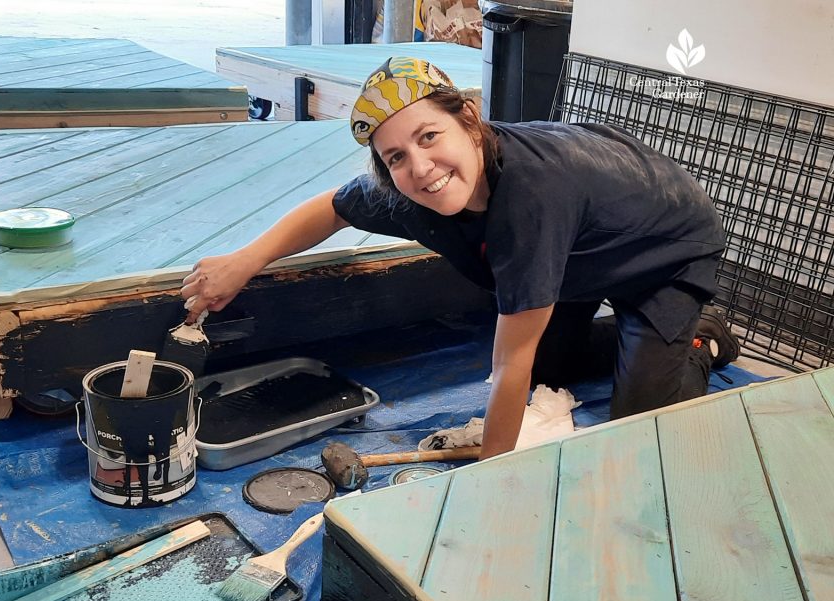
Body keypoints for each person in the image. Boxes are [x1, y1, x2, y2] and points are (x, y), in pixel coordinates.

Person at [180, 56, 739, 460]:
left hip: (666, 246)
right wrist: (245, 260)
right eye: (396, 156)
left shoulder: (529, 199)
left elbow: (506, 365)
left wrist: (491, 475)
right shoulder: (408, 190)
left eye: (429, 137)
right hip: (581, 247)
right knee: (548, 375)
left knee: (637, 423)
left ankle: (696, 340)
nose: (420, 167)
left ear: (470, 121)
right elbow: (332, 208)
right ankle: (636, 340)